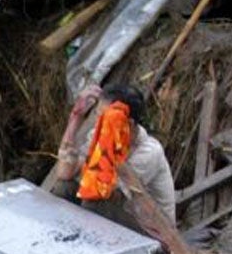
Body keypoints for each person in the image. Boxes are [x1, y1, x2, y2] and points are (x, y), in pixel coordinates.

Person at [54, 83, 176, 227]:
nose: (98, 124)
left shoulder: (149, 152)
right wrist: (76, 117)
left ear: (128, 125)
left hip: (153, 231)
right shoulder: (101, 135)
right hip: (118, 213)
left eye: (105, 119)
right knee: (64, 188)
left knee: (95, 202)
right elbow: (65, 173)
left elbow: (105, 193)